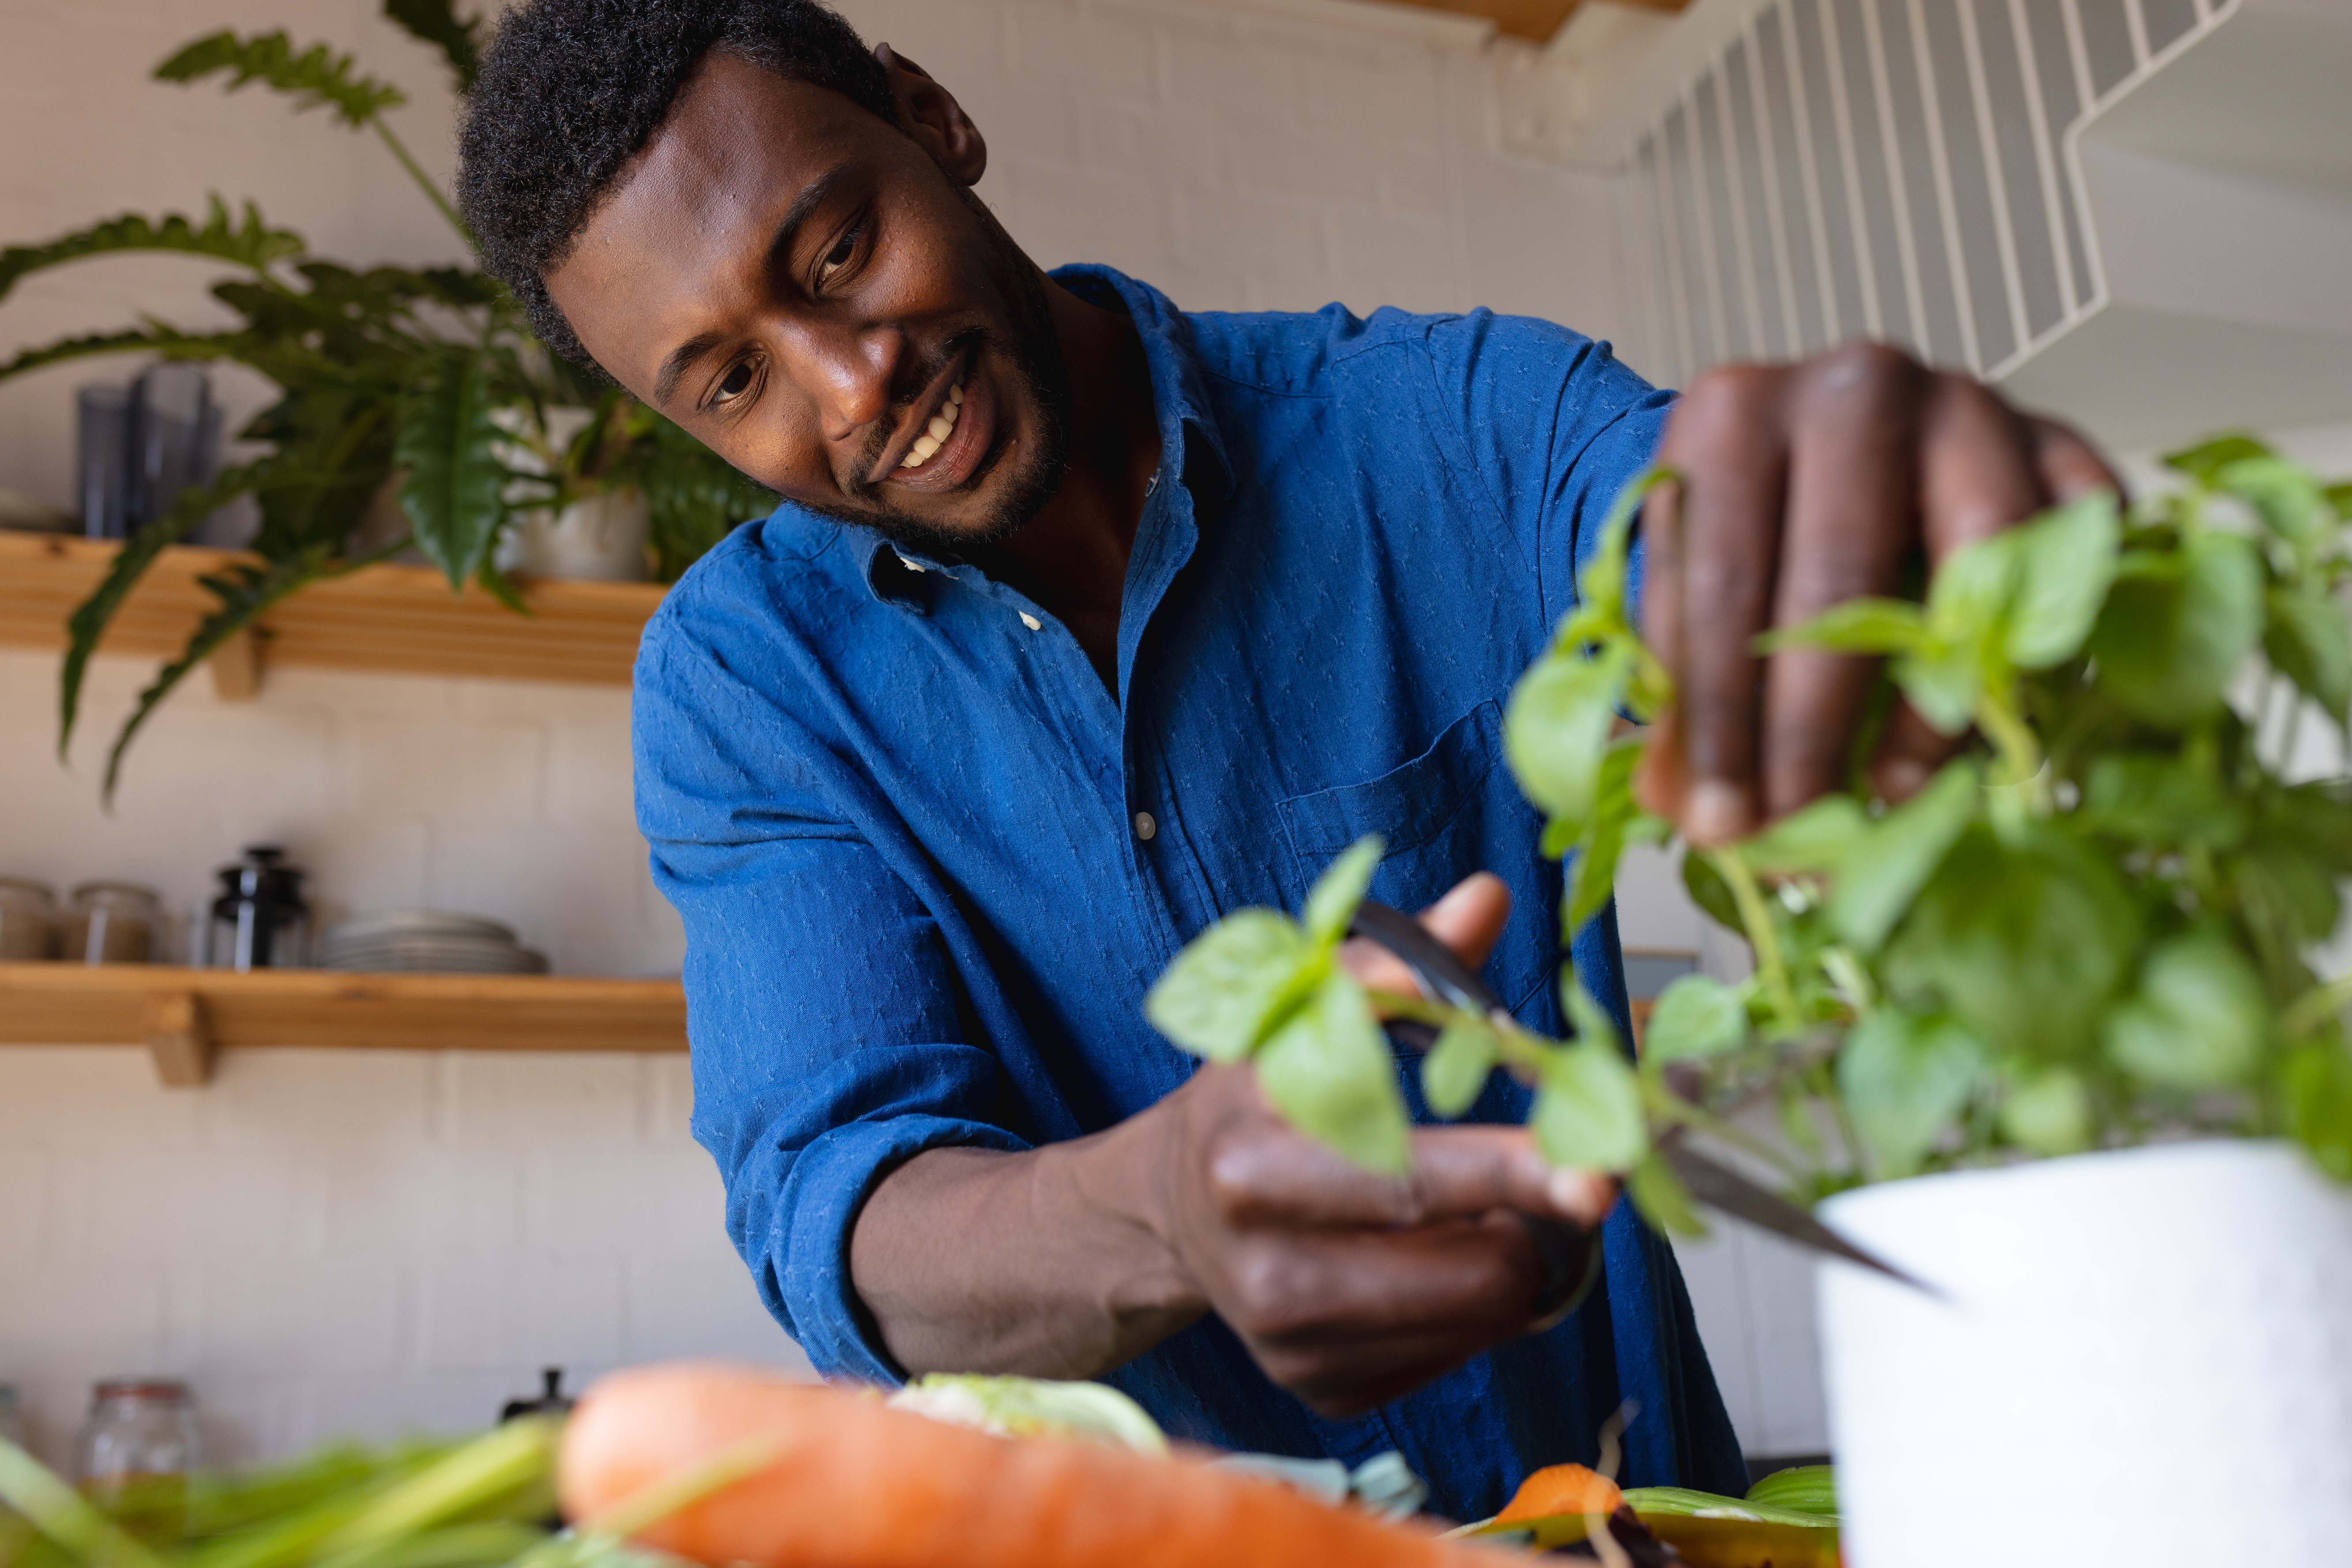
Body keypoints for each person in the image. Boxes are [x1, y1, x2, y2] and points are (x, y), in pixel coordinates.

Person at [455, 0, 2114, 1520]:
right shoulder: (747, 683)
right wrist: (1168, 1209)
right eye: (735, 379)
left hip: (1629, 1534)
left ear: (930, 117)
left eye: (834, 249)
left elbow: (1675, 520)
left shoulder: (1455, 423)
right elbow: (850, 1211)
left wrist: (1861, 541)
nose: (850, 377)